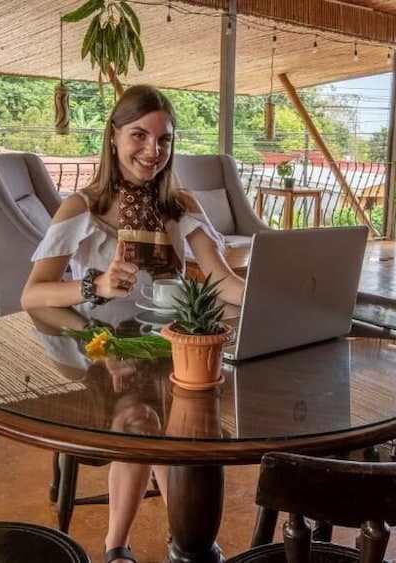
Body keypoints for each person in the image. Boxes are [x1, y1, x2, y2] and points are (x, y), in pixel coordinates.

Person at [21, 84, 245, 563]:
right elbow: (32, 293)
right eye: (139, 135)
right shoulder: (81, 208)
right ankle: (168, 542)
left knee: (169, 422)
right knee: (147, 423)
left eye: (164, 140)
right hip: (102, 352)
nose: (152, 150)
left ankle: (131, 546)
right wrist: (96, 284)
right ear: (114, 136)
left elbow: (223, 280)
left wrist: (275, 296)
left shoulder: (181, 205)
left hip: (172, 348)